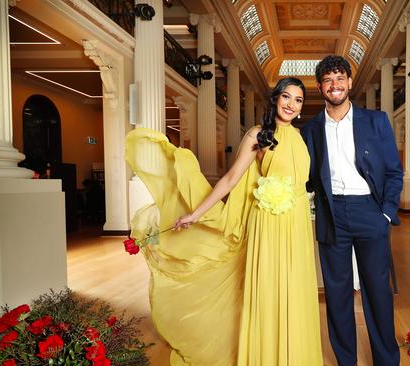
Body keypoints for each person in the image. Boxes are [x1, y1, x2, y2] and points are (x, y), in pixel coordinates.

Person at [125, 77, 322, 365]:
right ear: (275, 99)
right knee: (268, 290)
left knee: (294, 289)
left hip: (296, 225)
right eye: (286, 97)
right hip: (266, 224)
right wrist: (196, 213)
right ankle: (265, 355)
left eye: (298, 100)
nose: (291, 104)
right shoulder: (258, 135)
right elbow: (231, 179)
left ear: (302, 107)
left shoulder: (300, 138)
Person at [301, 55, 403, 366]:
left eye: (340, 78)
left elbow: (393, 172)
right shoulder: (310, 130)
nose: (335, 85)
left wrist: (385, 213)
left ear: (349, 83)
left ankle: (386, 361)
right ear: (320, 87)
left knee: (377, 291)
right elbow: (305, 177)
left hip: (369, 211)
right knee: (337, 293)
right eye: (328, 80)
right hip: (332, 214)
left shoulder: (376, 121)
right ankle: (347, 361)